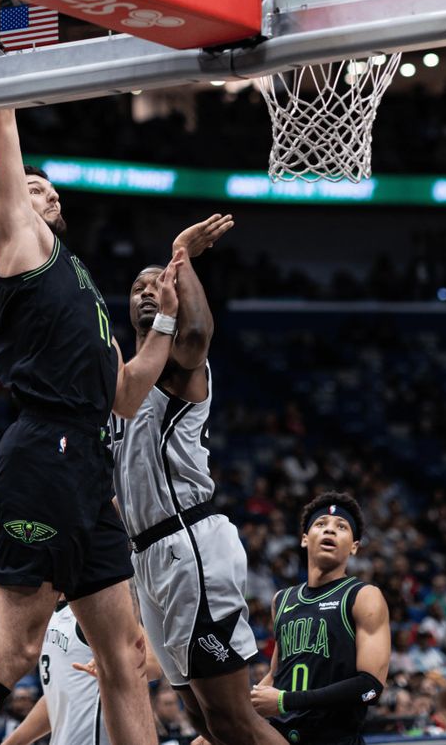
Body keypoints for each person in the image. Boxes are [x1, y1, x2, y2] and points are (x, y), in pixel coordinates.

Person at [0, 107, 183, 745]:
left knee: (125, 654)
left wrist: (164, 322)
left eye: (50, 188)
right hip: (47, 449)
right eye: (33, 185)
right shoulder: (21, 244)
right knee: (14, 648)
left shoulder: (80, 281)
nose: (47, 192)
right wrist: (2, 80)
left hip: (89, 463)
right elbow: (1, 131)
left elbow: (125, 396)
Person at [110, 218, 289, 745]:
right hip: (147, 557)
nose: (147, 291)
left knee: (233, 718)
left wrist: (181, 257)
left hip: (188, 543)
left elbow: (197, 335)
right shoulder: (124, 380)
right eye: (138, 287)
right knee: (201, 720)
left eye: (157, 284)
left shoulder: (177, 365)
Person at [249, 491, 391, 745]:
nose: (330, 529)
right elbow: (276, 674)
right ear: (305, 539)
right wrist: (223, 726)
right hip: (281, 737)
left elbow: (370, 688)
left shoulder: (363, 596)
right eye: (321, 523)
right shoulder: (282, 600)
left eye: (341, 526)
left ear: (354, 546)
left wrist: (285, 701)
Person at [0, 594, 162, 745]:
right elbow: (59, 697)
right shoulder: (50, 616)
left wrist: (113, 667)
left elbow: (153, 666)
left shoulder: (101, 606)